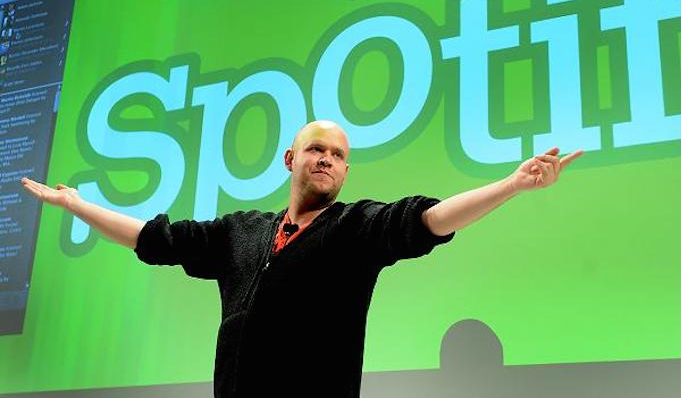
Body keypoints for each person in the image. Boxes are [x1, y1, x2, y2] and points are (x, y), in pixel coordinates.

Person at [21, 120, 583, 398]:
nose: (327, 159)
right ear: (291, 158)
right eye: (317, 149)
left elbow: (428, 220)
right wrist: (76, 205)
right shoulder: (241, 232)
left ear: (346, 171)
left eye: (338, 155)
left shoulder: (354, 228)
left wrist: (511, 185)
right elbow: (153, 239)